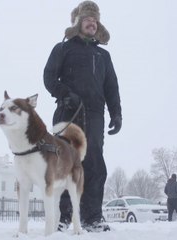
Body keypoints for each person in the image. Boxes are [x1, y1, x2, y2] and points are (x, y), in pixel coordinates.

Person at [43, 0, 122, 232]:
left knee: (94, 165)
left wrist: (116, 114)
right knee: (64, 164)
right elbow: (49, 78)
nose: (92, 23)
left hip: (95, 116)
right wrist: (65, 94)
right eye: (88, 19)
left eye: (95, 20)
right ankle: (62, 217)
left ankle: (92, 217)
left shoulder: (103, 56)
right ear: (78, 22)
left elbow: (112, 88)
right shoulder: (63, 48)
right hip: (68, 113)